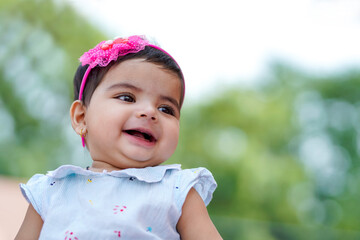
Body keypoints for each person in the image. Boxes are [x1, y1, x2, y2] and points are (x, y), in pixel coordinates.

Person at [15, 35, 222, 240]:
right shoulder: (51, 191)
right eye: (127, 97)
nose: (150, 112)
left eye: (166, 109)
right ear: (81, 117)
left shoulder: (178, 191)